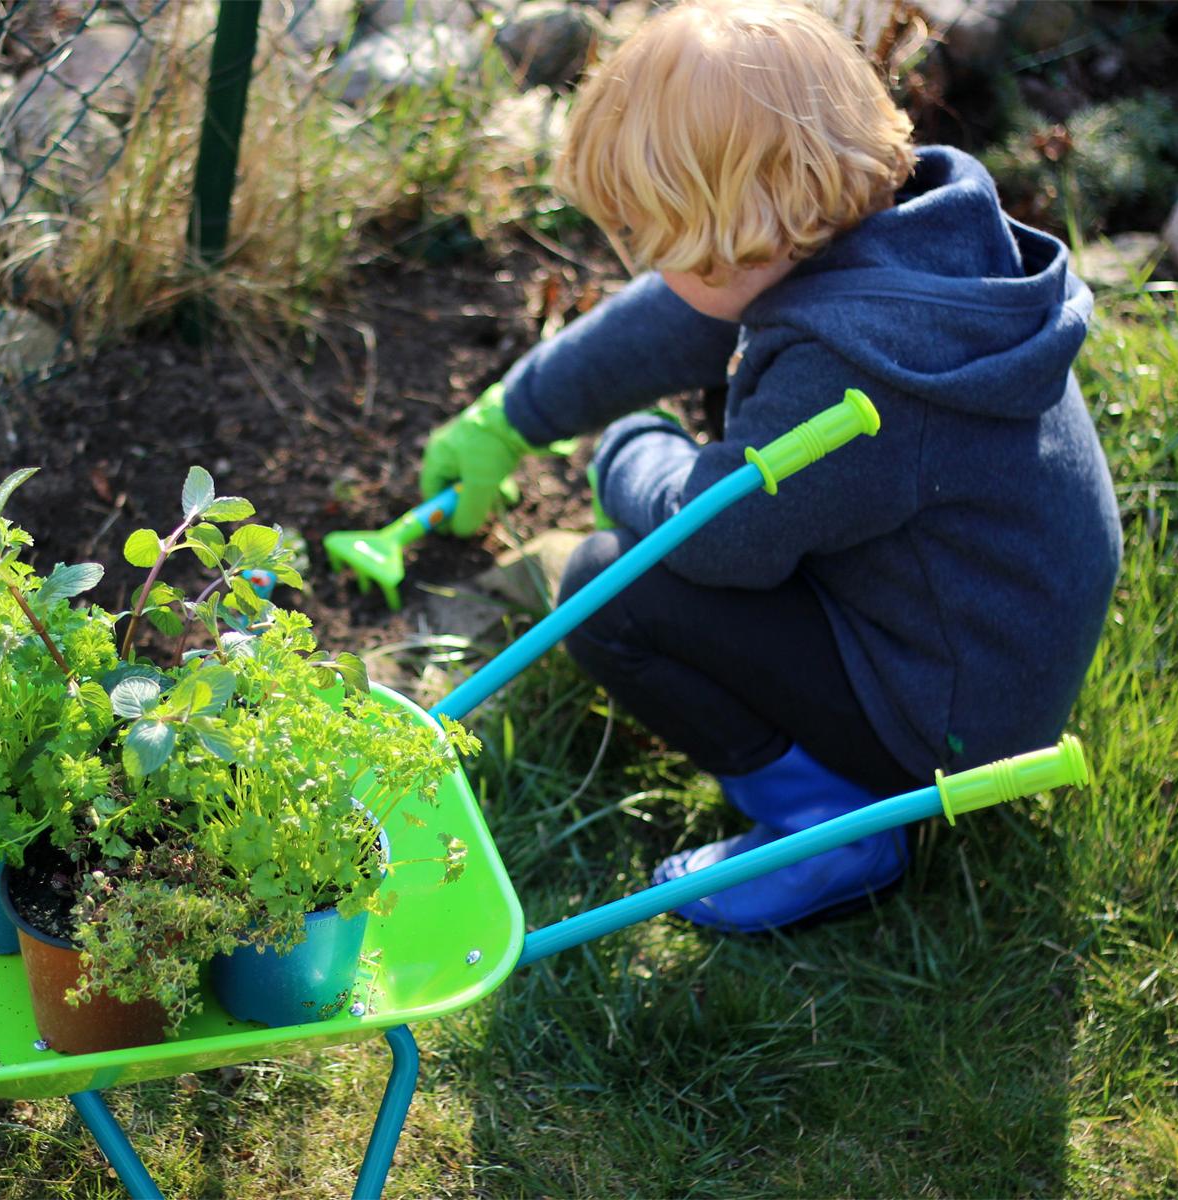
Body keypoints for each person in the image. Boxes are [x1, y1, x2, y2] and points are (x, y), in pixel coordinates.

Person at [417, 0, 1121, 931]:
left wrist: (625, 448)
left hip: (951, 720)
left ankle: (831, 827)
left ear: (745, 228)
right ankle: (835, 792)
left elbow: (714, 541)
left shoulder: (859, 374)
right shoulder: (914, 231)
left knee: (610, 590)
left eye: (654, 239)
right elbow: (681, 315)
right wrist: (516, 412)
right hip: (979, 641)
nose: (643, 261)